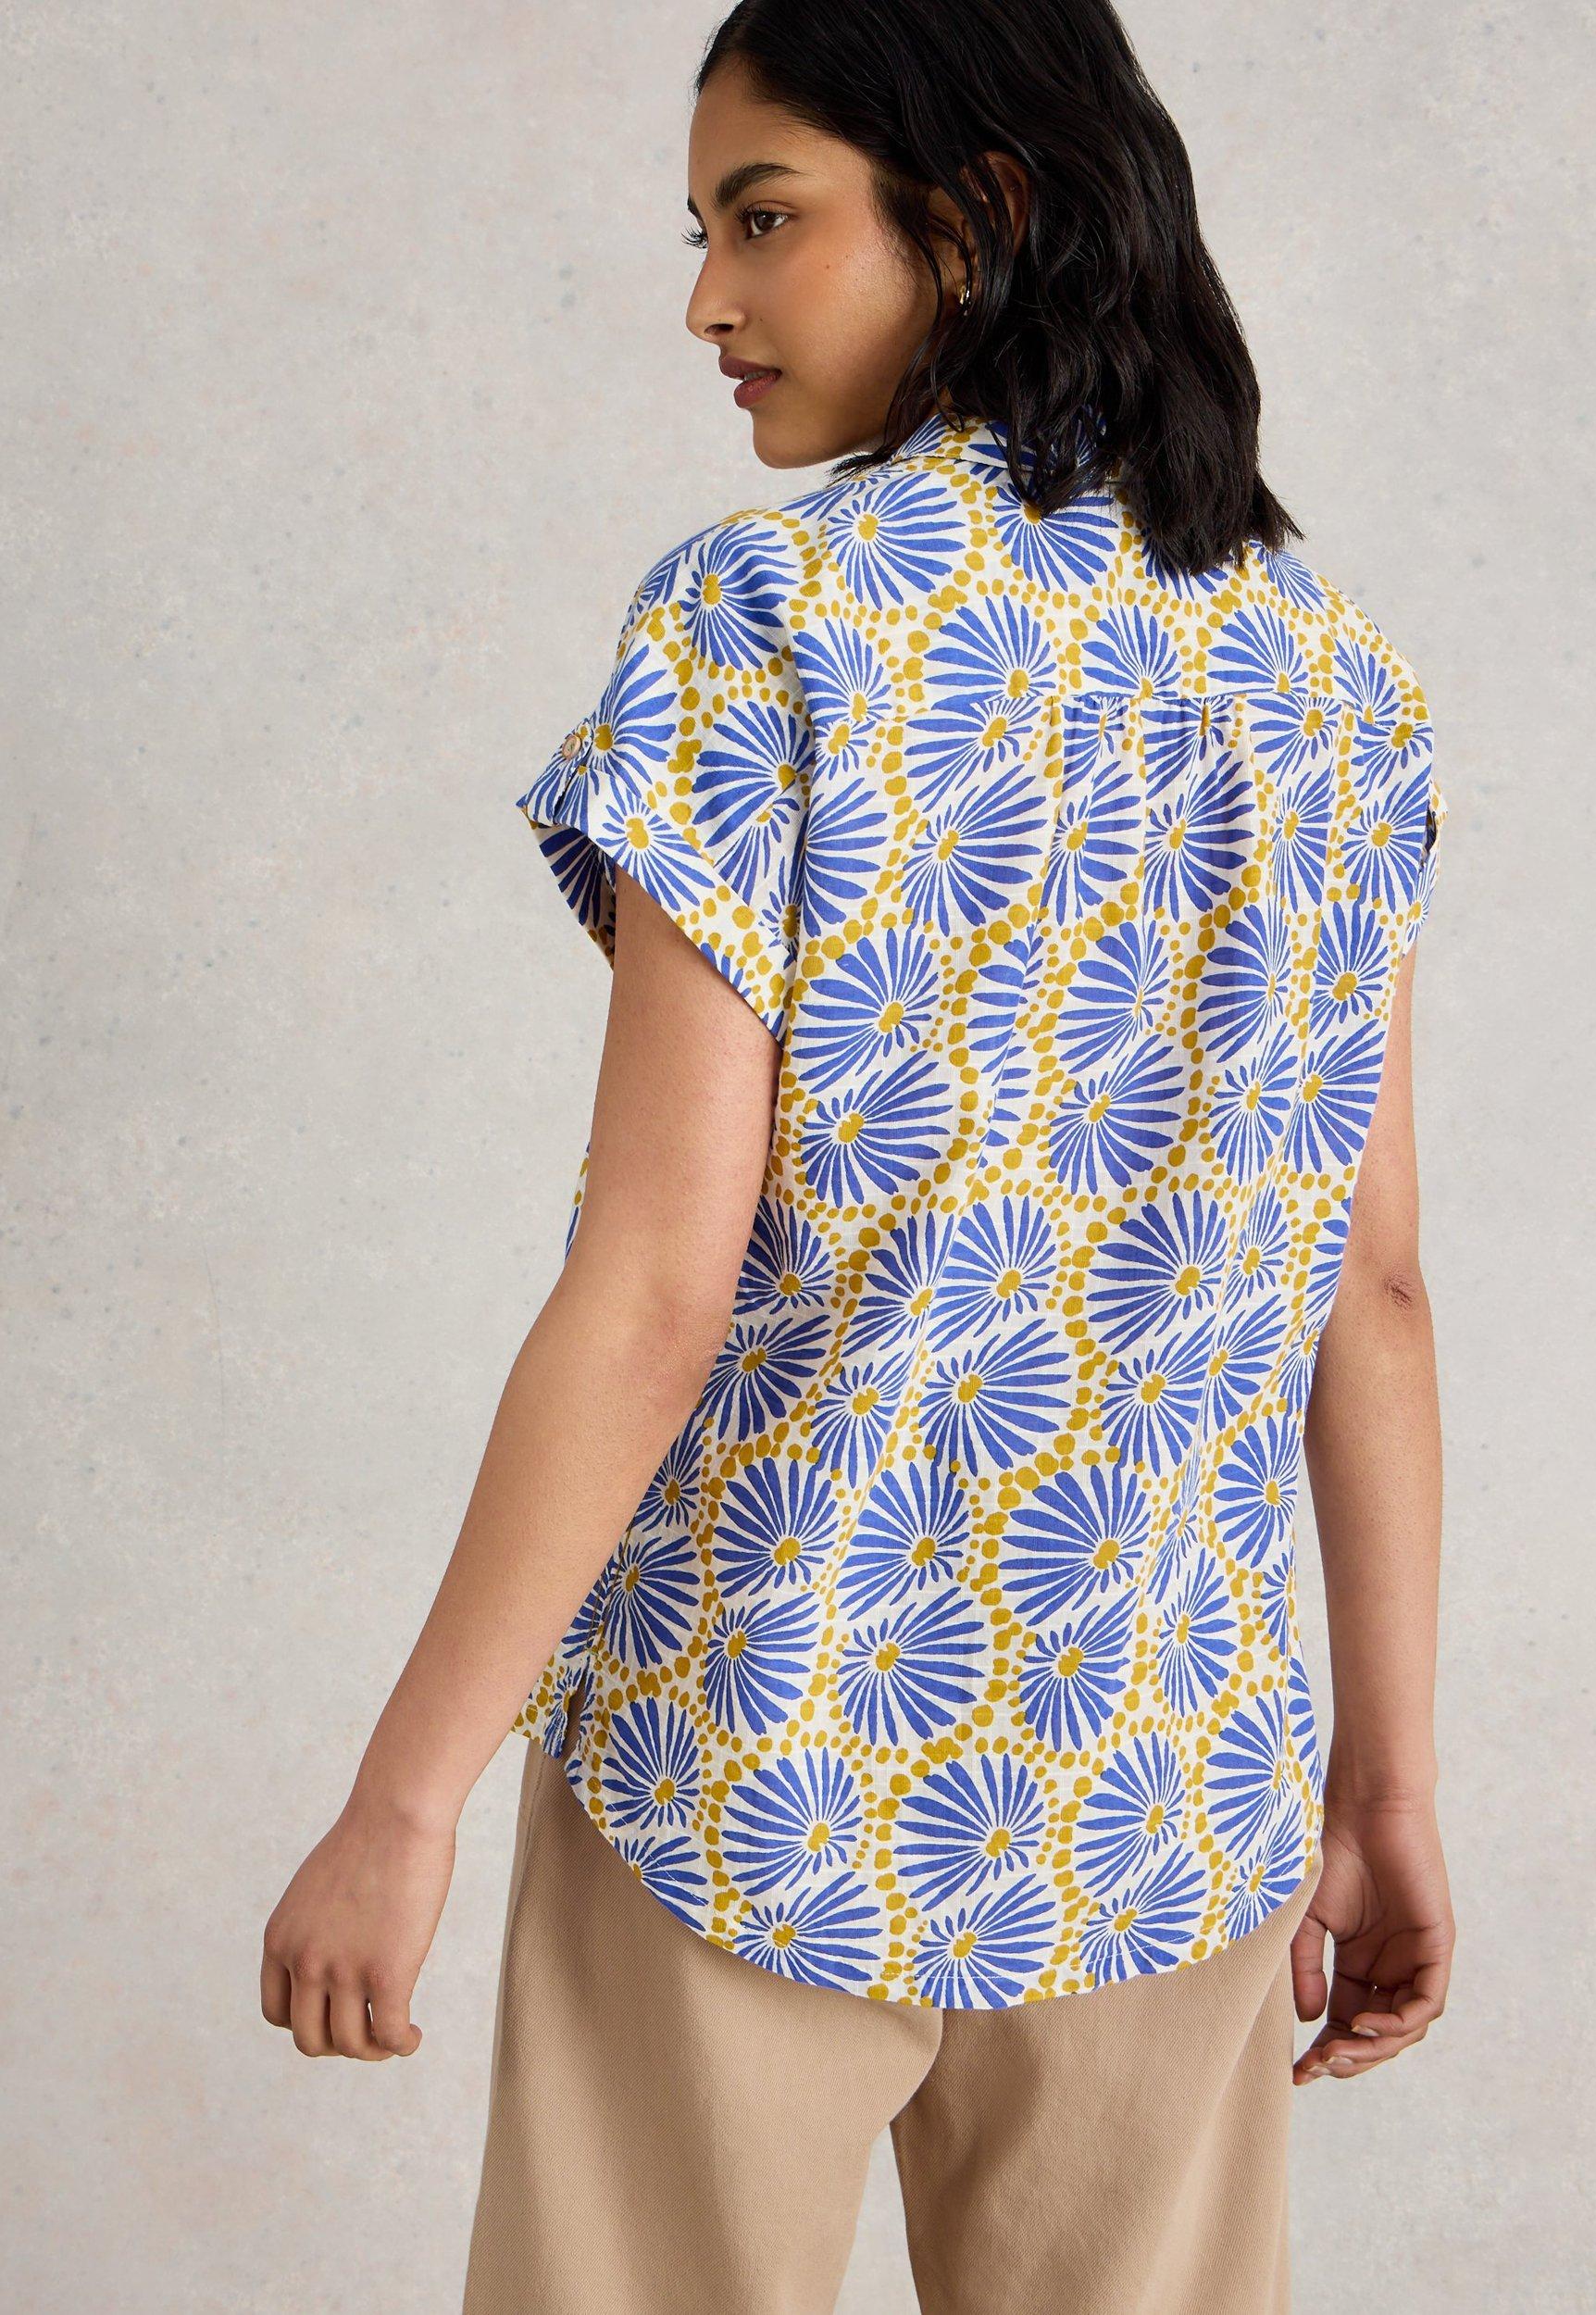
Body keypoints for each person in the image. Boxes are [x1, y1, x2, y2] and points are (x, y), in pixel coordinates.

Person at [260, 2, 1454, 2308]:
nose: (705, 300)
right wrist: (1384, 1786)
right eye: (702, 232)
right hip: (1162, 1789)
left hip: (749, 1756)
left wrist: (402, 1799)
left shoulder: (767, 617)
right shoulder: (1326, 669)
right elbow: (1371, 1289)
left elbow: (656, 1285)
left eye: (762, 219)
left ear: (979, 212)